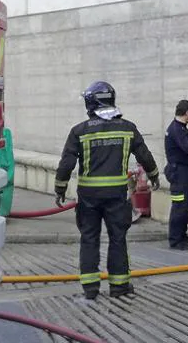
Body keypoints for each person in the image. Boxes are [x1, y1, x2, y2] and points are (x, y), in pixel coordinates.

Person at [54, 81, 160, 300]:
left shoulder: (79, 131)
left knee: (89, 238)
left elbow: (66, 163)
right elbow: (144, 155)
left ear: (91, 102)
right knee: (118, 238)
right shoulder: (128, 128)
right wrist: (154, 175)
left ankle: (90, 289)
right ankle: (119, 287)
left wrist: (60, 188)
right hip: (116, 196)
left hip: (88, 197)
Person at [165, 100, 188, 250]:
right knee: (180, 205)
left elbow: (186, 149)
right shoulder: (176, 129)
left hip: (184, 169)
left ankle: (182, 234)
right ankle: (175, 239)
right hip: (178, 171)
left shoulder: (180, 128)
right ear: (187, 113)